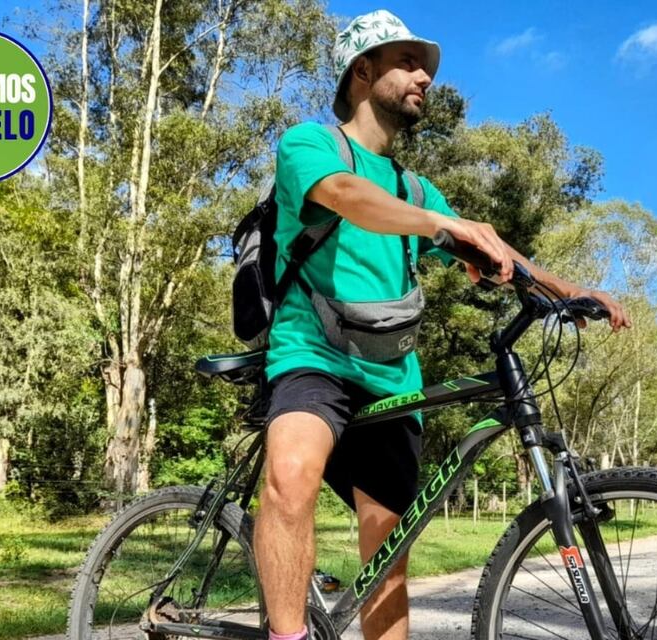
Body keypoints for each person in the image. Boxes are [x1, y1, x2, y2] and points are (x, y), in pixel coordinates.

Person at [252, 9, 631, 640]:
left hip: (392, 374)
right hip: (312, 354)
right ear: (361, 72)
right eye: (406, 62)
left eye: (424, 66)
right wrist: (441, 226)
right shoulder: (311, 145)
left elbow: (495, 250)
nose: (424, 76)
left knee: (388, 556)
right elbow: (346, 195)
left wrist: (570, 290)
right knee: (291, 476)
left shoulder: (417, 189)